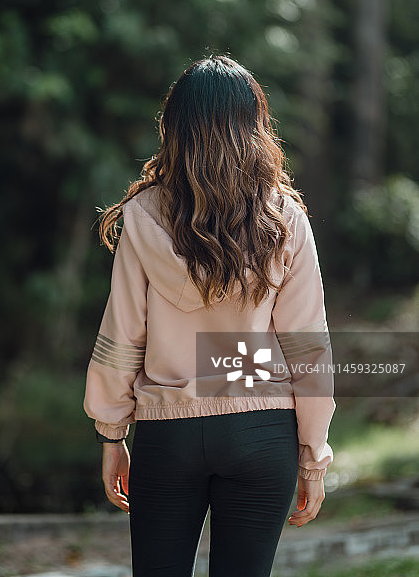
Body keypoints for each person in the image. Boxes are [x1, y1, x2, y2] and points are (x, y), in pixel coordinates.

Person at [83, 54, 335, 577]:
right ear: (255, 128)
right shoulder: (282, 216)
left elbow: (121, 336)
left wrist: (112, 434)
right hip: (262, 430)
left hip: (168, 433)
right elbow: (308, 347)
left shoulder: (143, 214)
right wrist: (313, 454)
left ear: (174, 130)